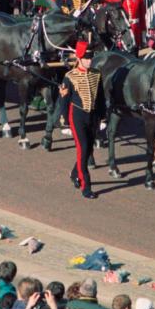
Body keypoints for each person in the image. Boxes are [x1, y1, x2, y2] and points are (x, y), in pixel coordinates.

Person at [60, 42, 103, 199]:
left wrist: (102, 117)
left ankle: (74, 173)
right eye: (86, 57)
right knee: (83, 149)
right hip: (77, 117)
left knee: (88, 150)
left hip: (93, 117)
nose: (90, 60)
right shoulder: (69, 77)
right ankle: (86, 186)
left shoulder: (97, 74)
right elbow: (64, 101)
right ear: (79, 58)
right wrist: (64, 121)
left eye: (91, 57)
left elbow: (101, 98)